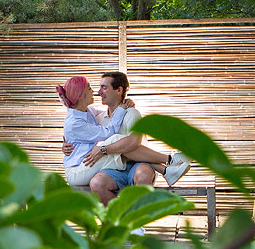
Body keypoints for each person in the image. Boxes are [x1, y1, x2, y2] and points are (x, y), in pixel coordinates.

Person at [60, 71, 190, 204]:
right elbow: (83, 132)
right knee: (113, 146)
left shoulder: (125, 113)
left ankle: (167, 166)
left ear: (119, 90)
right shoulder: (96, 118)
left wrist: (103, 149)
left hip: (137, 164)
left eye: (104, 87)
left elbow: (133, 142)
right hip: (104, 167)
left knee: (125, 150)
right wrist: (66, 146)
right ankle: (169, 162)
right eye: (94, 88)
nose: (98, 92)